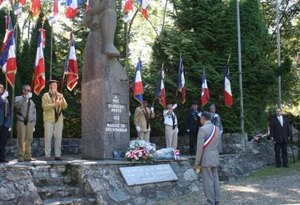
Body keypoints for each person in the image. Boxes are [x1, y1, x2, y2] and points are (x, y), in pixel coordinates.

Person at [194, 111, 220, 205]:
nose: (200, 120)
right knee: (215, 179)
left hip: (206, 159)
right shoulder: (217, 129)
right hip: (215, 157)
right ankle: (217, 199)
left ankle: (210, 201)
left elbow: (199, 148)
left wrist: (197, 161)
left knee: (208, 181)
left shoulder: (202, 129)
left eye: (200, 118)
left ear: (203, 118)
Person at [42, 80, 68, 160]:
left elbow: (65, 106)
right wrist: (54, 104)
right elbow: (44, 107)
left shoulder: (59, 95)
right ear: (50, 86)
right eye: (53, 85)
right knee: (48, 137)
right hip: (49, 119)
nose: (55, 86)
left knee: (58, 137)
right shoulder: (45, 95)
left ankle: (57, 155)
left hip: (59, 119)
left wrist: (62, 98)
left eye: (56, 85)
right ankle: (47, 155)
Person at [15, 85, 36, 162]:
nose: (28, 92)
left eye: (29, 90)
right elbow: (17, 106)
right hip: (21, 121)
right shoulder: (18, 98)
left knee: (29, 139)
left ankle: (28, 156)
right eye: (27, 90)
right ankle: (20, 156)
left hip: (30, 122)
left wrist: (34, 123)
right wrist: (24, 99)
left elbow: (34, 113)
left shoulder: (32, 102)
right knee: (21, 138)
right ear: (23, 90)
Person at [0, 84, 11, 163]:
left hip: (5, 123)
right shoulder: (2, 98)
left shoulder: (6, 99)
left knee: (3, 142)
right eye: (0, 88)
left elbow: (8, 112)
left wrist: (8, 123)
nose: (1, 89)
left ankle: (2, 157)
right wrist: (1, 98)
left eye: (2, 88)